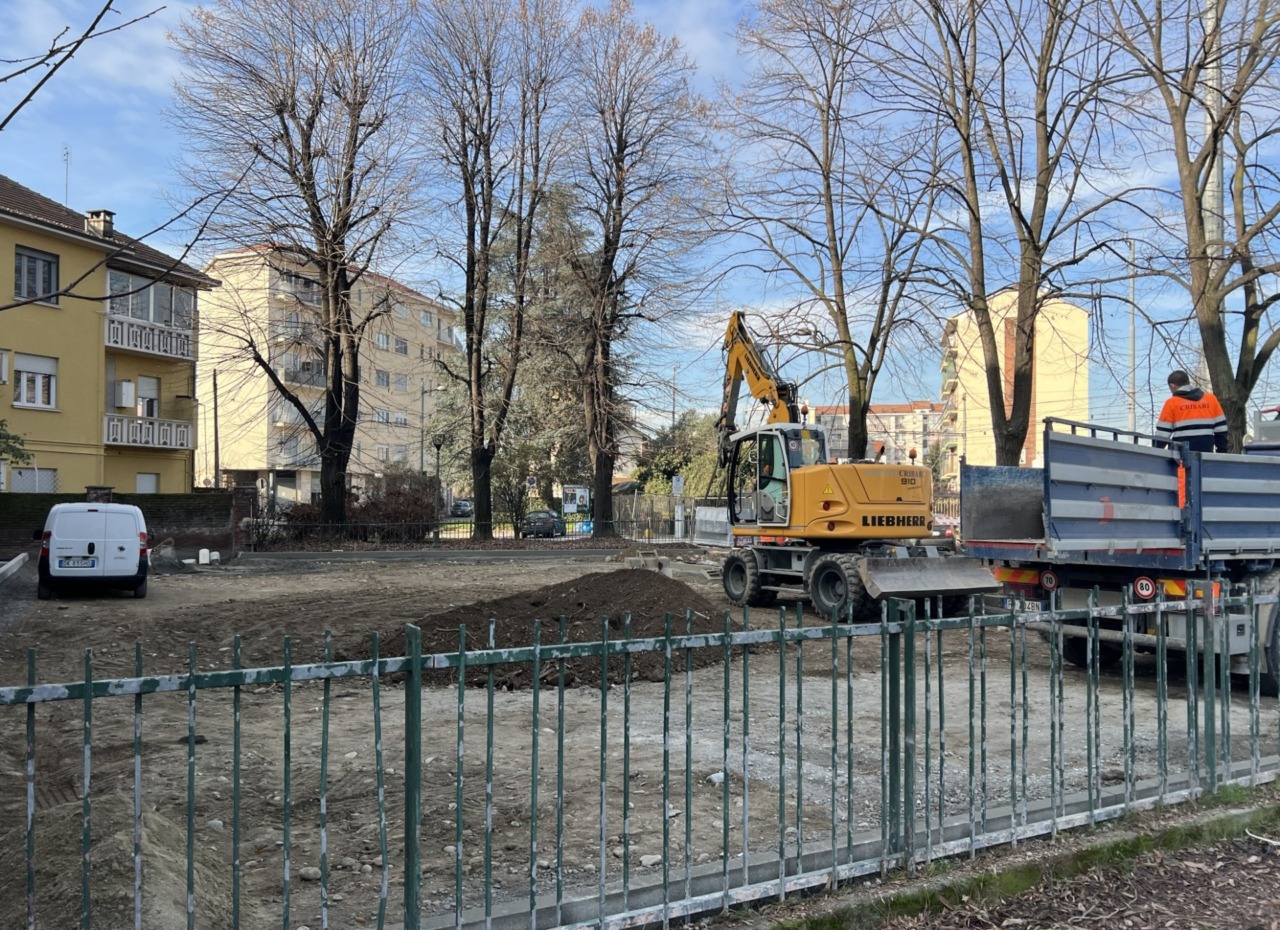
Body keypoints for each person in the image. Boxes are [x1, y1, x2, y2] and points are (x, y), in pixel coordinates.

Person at [1154, 370, 1228, 452]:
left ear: (1172, 386)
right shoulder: (1211, 399)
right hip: (1206, 454)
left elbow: (1162, 434)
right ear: (1188, 382)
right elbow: (1221, 430)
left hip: (1181, 456)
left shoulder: (1172, 403)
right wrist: (1222, 452)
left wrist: (1154, 453)